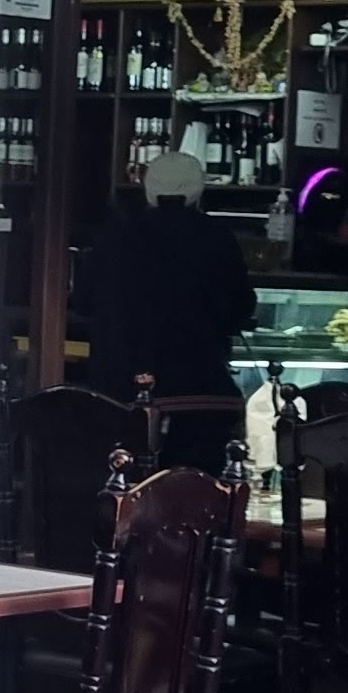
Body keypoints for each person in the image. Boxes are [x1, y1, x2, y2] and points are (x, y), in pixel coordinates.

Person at [76, 150, 254, 469]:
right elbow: (240, 311)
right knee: (196, 481)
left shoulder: (113, 238)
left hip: (117, 391)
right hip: (200, 394)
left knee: (122, 476)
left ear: (148, 188)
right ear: (198, 190)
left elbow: (83, 303)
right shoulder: (217, 237)